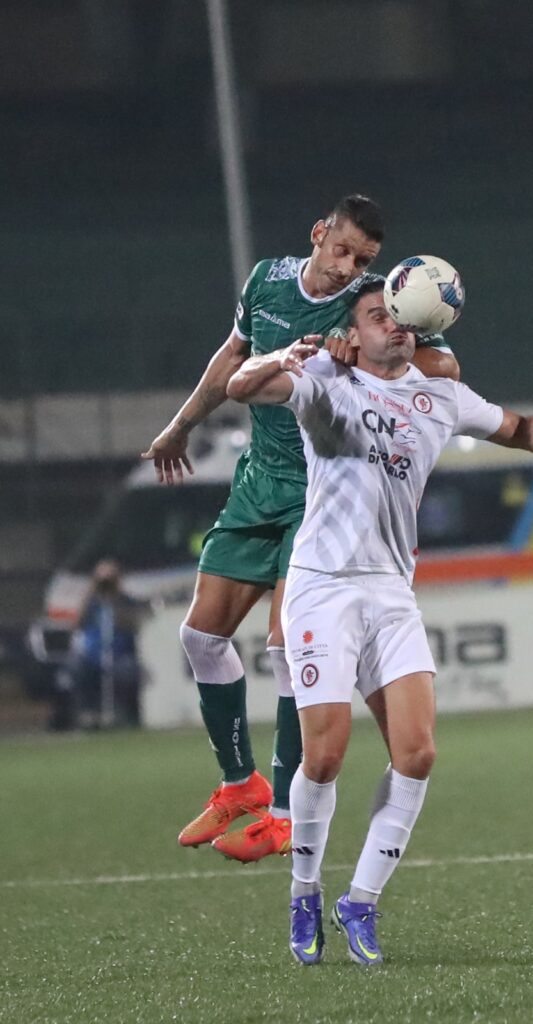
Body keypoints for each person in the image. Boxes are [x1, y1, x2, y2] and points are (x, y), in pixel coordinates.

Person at [226, 278, 533, 965]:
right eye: (378, 316)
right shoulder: (324, 379)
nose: (393, 324)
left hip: (390, 593)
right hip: (321, 589)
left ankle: (360, 903)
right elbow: (240, 387)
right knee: (325, 754)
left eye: (400, 315)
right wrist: (284, 355)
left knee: (418, 752)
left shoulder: (438, 397)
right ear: (354, 331)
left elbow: (518, 427)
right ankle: (306, 891)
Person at [141, 196, 460, 863]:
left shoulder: (375, 302)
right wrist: (180, 425)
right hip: (260, 482)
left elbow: (444, 367)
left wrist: (359, 362)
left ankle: (285, 812)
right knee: (200, 636)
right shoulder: (263, 282)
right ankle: (241, 785)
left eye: (363, 261)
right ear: (318, 235)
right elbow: (232, 357)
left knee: (288, 647)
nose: (350, 269)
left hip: (324, 495)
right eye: (342, 251)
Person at [70, 560, 146, 729]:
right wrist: (93, 592)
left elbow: (134, 624)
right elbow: (77, 623)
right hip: (93, 656)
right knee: (78, 667)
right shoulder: (91, 603)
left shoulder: (126, 601)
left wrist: (115, 599)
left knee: (128, 670)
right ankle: (88, 716)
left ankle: (125, 715)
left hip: (119, 655)